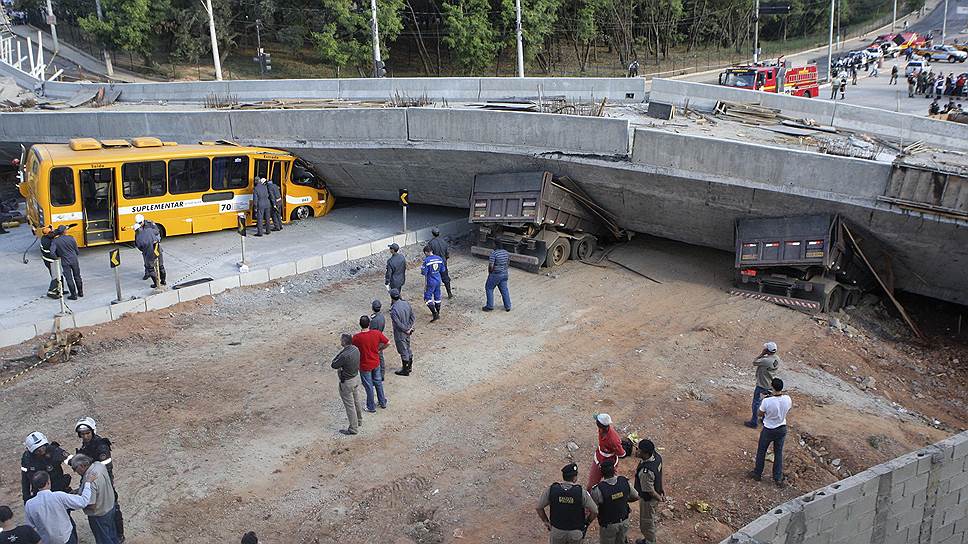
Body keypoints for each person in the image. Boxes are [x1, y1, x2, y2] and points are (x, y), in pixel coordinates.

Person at [72, 418, 123, 541]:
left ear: (93, 432)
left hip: (103, 480)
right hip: (91, 477)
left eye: (87, 433)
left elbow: (105, 467)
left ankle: (120, 534)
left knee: (112, 506)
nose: (85, 436)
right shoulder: (87, 444)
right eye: (82, 434)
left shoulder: (101, 446)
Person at [535, 463, 598, 544]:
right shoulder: (581, 492)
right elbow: (595, 510)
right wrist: (587, 522)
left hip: (557, 531)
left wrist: (546, 522)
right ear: (574, 478)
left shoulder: (552, 489)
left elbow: (539, 507)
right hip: (575, 533)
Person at [24, 471, 92, 544]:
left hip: (47, 541)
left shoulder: (29, 504)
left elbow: (30, 527)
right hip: (66, 538)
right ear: (48, 482)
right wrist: (88, 483)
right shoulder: (59, 496)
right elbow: (83, 502)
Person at [750, 377, 792, 487]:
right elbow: (787, 408)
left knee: (761, 451)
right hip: (781, 428)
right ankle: (777, 478)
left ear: (772, 387)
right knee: (778, 453)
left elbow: (760, 413)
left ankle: (757, 473)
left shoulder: (767, 401)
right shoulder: (787, 399)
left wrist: (765, 399)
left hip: (769, 429)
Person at [68, 454, 119, 544]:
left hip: (99, 515)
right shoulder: (98, 465)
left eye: (75, 468)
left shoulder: (90, 481)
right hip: (110, 507)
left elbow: (91, 505)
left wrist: (76, 503)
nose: (75, 472)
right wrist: (79, 491)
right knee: (112, 535)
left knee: (103, 540)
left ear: (82, 466)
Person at [590, 459, 638, 544]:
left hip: (608, 525)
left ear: (602, 473)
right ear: (614, 470)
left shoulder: (598, 489)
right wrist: (623, 500)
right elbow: (635, 496)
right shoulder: (624, 482)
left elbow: (594, 509)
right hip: (624, 521)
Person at [352, 315, 390, 412]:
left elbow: (352, 349)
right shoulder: (376, 333)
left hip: (364, 365)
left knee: (369, 386)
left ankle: (371, 406)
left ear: (360, 324)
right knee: (378, 383)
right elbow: (388, 342)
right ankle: (382, 402)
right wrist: (379, 349)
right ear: (369, 324)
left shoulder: (356, 338)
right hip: (375, 362)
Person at [21, 432, 71, 503]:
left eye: (43, 447)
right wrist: (26, 499)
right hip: (40, 494)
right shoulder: (27, 459)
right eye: (38, 450)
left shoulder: (53, 450)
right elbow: (25, 480)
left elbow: (71, 460)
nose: (42, 451)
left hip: (58, 490)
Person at [634, 439, 665, 544]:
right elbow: (658, 476)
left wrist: (659, 498)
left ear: (646, 454)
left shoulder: (646, 472)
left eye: (639, 450)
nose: (636, 451)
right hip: (658, 491)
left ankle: (649, 541)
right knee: (650, 519)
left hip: (648, 500)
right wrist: (661, 491)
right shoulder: (657, 458)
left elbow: (649, 491)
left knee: (646, 524)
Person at [331, 333, 363, 436]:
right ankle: (359, 420)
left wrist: (342, 352)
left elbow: (334, 364)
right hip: (355, 378)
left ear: (344, 342)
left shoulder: (344, 355)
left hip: (347, 382)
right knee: (356, 400)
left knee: (349, 405)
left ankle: (353, 428)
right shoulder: (356, 349)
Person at [745, 342, 780, 428]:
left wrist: (762, 354)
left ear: (767, 350)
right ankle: (764, 419)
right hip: (770, 385)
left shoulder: (765, 360)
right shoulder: (776, 359)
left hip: (762, 385)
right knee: (767, 403)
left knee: (756, 403)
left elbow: (754, 362)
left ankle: (754, 422)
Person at [588, 413, 624, 489]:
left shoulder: (613, 440)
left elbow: (621, 453)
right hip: (599, 458)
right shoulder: (602, 430)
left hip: (609, 464)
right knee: (592, 485)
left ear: (599, 425)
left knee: (612, 485)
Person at [133, 215, 165, 288]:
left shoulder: (150, 224)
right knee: (152, 265)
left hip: (150, 249)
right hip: (153, 248)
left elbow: (157, 232)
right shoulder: (143, 229)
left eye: (140, 222)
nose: (140, 224)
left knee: (155, 266)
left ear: (143, 221)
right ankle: (148, 274)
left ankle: (159, 282)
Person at [389, 288, 416, 376]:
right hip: (408, 331)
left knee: (403, 350)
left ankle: (405, 370)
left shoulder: (393, 309)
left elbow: (397, 324)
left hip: (400, 333)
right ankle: (409, 367)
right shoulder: (406, 303)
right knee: (408, 347)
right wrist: (409, 327)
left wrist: (405, 329)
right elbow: (412, 316)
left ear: (391, 297)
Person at [50, 226, 82, 300]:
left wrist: (56, 257)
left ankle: (73, 295)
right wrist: (75, 254)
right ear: (65, 231)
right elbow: (76, 249)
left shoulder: (55, 241)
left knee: (69, 278)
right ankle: (80, 292)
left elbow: (52, 252)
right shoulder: (71, 238)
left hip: (65, 261)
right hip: (74, 260)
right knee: (77, 276)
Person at [420, 246, 446, 322]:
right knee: (437, 296)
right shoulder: (439, 258)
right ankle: (438, 312)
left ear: (426, 252)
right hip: (438, 280)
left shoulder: (426, 261)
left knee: (427, 298)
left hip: (430, 281)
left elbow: (423, 272)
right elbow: (443, 270)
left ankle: (435, 314)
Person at [482, 245, 511, 312]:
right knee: (504, 290)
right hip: (504, 274)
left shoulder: (494, 254)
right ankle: (508, 306)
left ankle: (489, 306)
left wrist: (490, 273)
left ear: (495, 245)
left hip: (496, 275)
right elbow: (508, 263)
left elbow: (491, 266)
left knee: (489, 288)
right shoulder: (506, 253)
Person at [428, 228, 453, 298]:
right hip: (443, 262)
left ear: (432, 234)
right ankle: (449, 292)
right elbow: (447, 254)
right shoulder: (444, 242)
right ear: (439, 233)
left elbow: (429, 254)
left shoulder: (431, 243)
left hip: (434, 263)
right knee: (445, 277)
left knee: (433, 277)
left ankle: (434, 293)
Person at [40, 226, 60, 299]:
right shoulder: (46, 242)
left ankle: (60, 289)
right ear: (46, 234)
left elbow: (54, 233)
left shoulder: (47, 236)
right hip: (50, 261)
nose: (52, 233)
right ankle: (51, 292)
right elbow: (52, 253)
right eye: (50, 232)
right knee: (55, 276)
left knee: (59, 275)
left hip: (51, 260)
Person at [369, 299, 387, 374]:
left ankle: (381, 373)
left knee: (378, 356)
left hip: (375, 340)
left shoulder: (374, 320)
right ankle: (381, 372)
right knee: (380, 355)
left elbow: (371, 330)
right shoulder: (382, 316)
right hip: (380, 337)